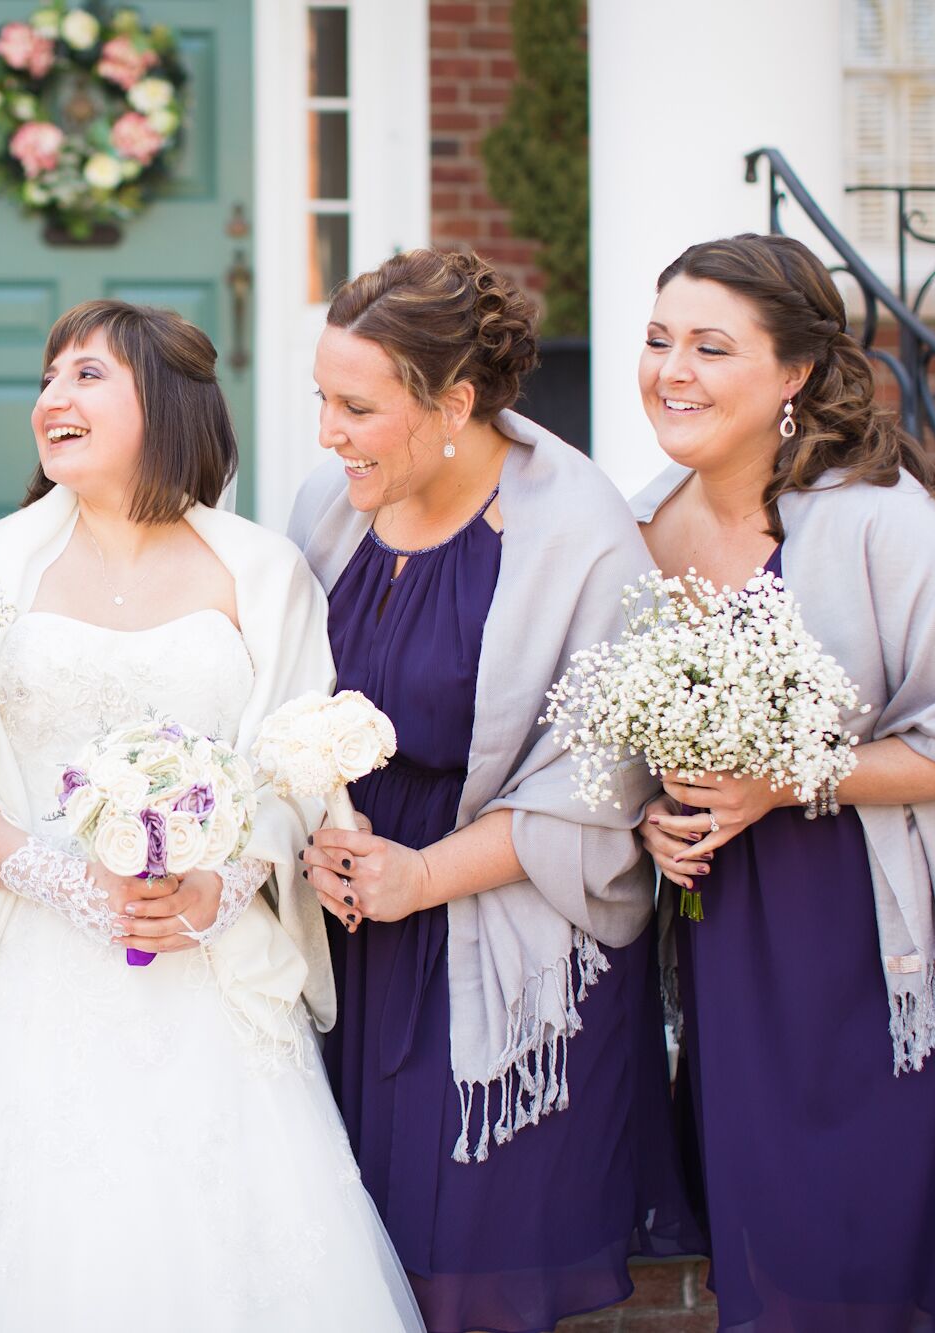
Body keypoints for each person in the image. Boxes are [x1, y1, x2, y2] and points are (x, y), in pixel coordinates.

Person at [0, 300, 424, 1333]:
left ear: (165, 401)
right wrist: (58, 879)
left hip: (201, 960)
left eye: (86, 375)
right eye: (47, 377)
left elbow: (296, 766)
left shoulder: (264, 571)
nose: (51, 398)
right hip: (12, 957)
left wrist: (220, 884)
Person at [634, 232, 935, 1332]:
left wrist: (787, 781)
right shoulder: (635, 528)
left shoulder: (875, 519)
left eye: (711, 346)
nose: (670, 369)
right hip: (738, 943)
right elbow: (633, 737)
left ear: (795, 373)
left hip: (882, 935)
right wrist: (651, 821)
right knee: (764, 1267)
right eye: (657, 338)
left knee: (855, 1276)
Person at [290, 248, 695, 1332]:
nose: (327, 431)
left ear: (454, 403)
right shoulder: (323, 511)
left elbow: (599, 779)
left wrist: (420, 874)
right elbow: (276, 702)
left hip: (497, 917)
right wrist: (305, 832)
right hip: (346, 917)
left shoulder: (581, 534)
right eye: (319, 399)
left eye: (356, 407)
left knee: (462, 1272)